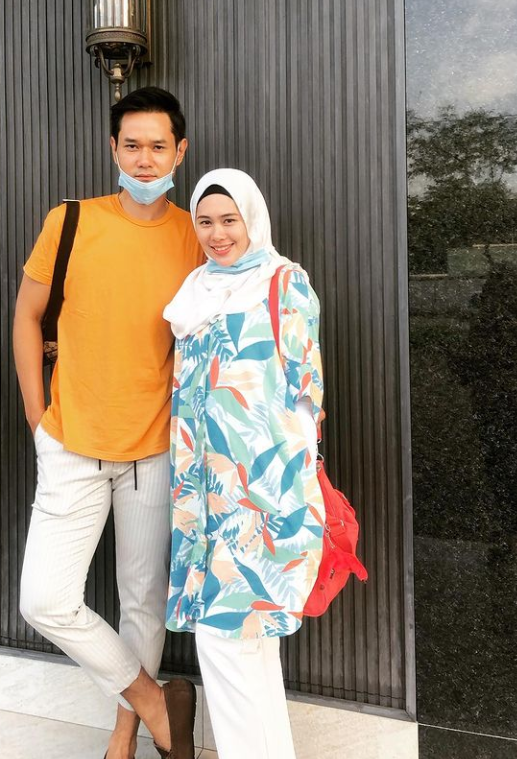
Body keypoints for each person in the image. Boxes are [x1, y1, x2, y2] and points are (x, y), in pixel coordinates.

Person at [13, 87, 204, 759]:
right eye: (132, 146)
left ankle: (124, 737)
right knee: (45, 598)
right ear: (113, 149)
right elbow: (27, 316)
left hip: (154, 447)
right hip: (72, 443)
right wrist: (38, 418)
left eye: (158, 146)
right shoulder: (71, 221)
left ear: (180, 151)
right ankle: (155, 699)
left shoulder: (196, 235)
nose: (145, 160)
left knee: (142, 601)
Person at [163, 168, 326, 759]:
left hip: (262, 495)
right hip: (203, 495)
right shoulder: (195, 289)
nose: (217, 234)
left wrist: (286, 494)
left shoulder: (284, 282)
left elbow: (307, 393)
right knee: (249, 650)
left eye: (229, 220)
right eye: (205, 221)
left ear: (251, 219)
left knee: (225, 641)